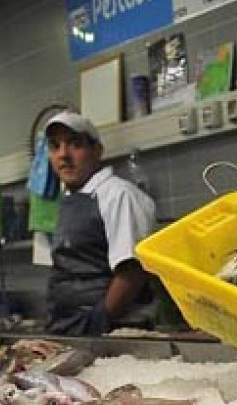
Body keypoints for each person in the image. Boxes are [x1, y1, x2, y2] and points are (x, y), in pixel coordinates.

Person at [43, 111, 157, 335]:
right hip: (72, 327)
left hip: (115, 331)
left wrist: (97, 321)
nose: (63, 155)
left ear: (97, 151)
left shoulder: (119, 195)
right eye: (55, 146)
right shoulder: (69, 199)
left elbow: (132, 271)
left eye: (74, 144)